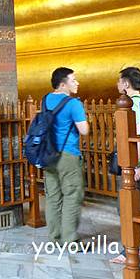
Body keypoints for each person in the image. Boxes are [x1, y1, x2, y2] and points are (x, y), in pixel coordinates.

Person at [44, 67, 90, 247]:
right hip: (68, 155)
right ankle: (70, 240)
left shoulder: (45, 99)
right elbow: (84, 130)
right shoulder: (73, 104)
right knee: (72, 195)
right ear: (63, 84)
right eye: (73, 80)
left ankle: (55, 237)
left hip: (48, 154)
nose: (77, 82)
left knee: (53, 197)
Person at [111, 66, 140, 264]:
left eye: (119, 81)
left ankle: (129, 252)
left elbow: (139, 139)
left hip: (137, 167)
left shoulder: (130, 106)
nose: (117, 84)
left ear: (126, 84)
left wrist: (135, 165)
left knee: (128, 209)